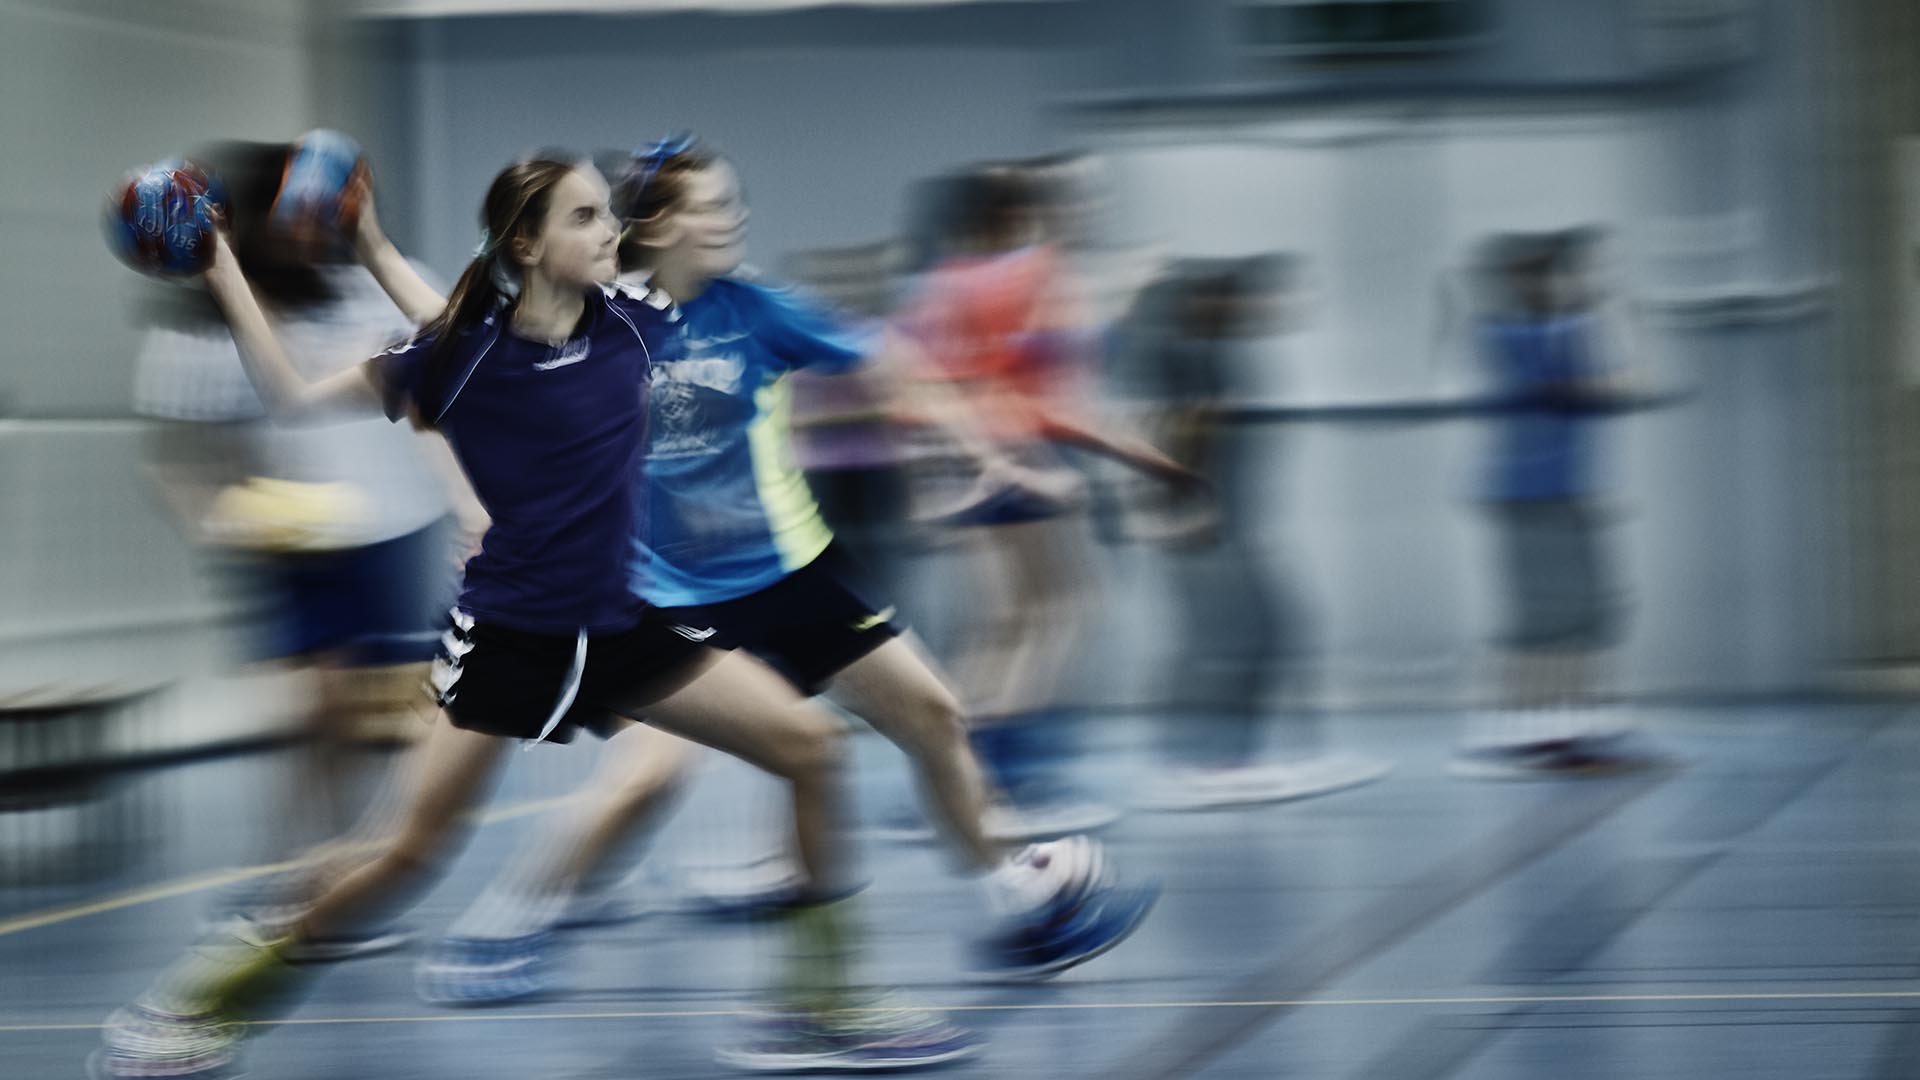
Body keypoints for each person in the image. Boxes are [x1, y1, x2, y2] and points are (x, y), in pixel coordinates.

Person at [92, 154, 975, 1079]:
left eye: (608, 216)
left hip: (624, 626)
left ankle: (821, 1005)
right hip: (512, 635)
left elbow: (497, 304)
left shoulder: (636, 327)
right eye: (586, 217)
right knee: (402, 857)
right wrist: (224, 265)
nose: (609, 233)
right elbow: (300, 392)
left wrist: (374, 239)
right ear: (529, 242)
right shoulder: (460, 357)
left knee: (811, 750)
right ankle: (202, 1004)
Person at [416, 136, 1158, 1010]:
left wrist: (974, 450)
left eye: (735, 201)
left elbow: (891, 363)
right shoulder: (599, 317)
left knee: (933, 715)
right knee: (649, 779)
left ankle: (1013, 900)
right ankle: (503, 929)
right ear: (655, 223)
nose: (735, 217)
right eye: (713, 205)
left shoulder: (758, 310)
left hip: (787, 574)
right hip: (659, 593)